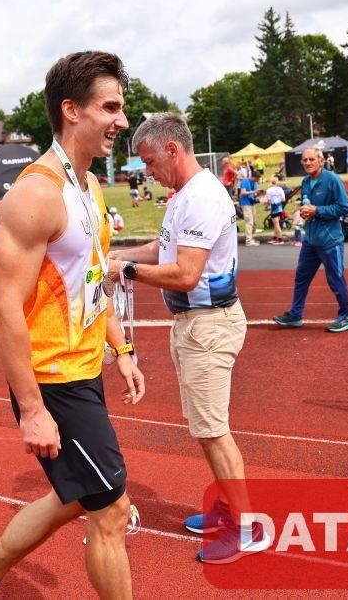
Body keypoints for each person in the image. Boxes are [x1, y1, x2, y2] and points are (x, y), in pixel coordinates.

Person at [0, 51, 144, 600]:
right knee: (111, 511)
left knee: (75, 499)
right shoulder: (36, 194)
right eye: (111, 108)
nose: (122, 121)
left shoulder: (89, 186)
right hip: (54, 381)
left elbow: (92, 279)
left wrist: (121, 348)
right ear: (72, 110)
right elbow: (2, 307)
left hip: (85, 369)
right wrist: (32, 410)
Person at [107, 112, 271, 564]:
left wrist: (126, 270)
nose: (146, 171)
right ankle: (228, 507)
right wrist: (119, 254)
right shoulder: (186, 194)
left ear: (172, 150)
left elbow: (185, 273)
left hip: (208, 325)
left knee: (214, 432)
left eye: (148, 161)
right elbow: (164, 249)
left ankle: (246, 527)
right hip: (198, 324)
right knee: (205, 429)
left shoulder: (200, 197)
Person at [272, 147, 348, 332]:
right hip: (310, 240)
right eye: (305, 160)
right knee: (301, 277)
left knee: (336, 280)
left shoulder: (332, 180)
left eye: (311, 159)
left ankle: (346, 316)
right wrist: (305, 212)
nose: (308, 163)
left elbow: (344, 207)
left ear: (321, 161)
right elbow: (308, 205)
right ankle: (295, 314)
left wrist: (317, 211)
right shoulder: (305, 181)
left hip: (329, 241)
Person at [239, 171, 259, 246]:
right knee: (249, 222)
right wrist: (254, 191)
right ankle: (248, 241)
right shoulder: (245, 181)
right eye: (257, 179)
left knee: (254, 222)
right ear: (253, 177)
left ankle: (251, 238)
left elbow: (254, 194)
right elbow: (242, 192)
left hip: (252, 203)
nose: (257, 180)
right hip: (246, 204)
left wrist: (258, 194)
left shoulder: (255, 183)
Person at [264, 177, 287, 245]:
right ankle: (275, 237)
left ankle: (280, 239)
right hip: (279, 207)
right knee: (276, 223)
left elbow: (267, 200)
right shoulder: (280, 189)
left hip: (274, 208)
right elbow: (283, 199)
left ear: (271, 182)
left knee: (276, 224)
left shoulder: (269, 190)